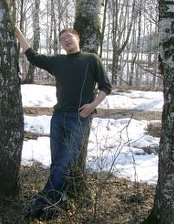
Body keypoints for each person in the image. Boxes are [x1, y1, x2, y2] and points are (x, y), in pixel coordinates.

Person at [14, 26, 112, 221]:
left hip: (79, 118)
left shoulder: (91, 59)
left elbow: (106, 87)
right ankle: (56, 202)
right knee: (57, 162)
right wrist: (17, 32)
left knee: (65, 162)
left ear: (78, 39)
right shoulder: (58, 62)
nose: (66, 41)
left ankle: (41, 202)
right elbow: (32, 56)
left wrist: (92, 106)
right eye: (62, 39)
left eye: (69, 37)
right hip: (58, 117)